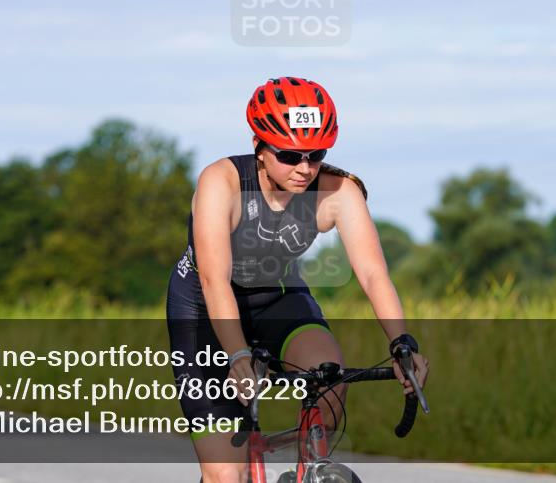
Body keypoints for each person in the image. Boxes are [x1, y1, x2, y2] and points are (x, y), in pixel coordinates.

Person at [166, 76, 428, 483]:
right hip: (204, 308)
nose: (304, 169)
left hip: (278, 297)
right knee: (225, 474)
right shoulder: (222, 182)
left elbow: (374, 274)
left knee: (329, 374)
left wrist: (401, 343)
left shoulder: (339, 191)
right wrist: (237, 357)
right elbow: (216, 281)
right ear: (259, 146)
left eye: (316, 154)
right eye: (289, 155)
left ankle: (313, 469)